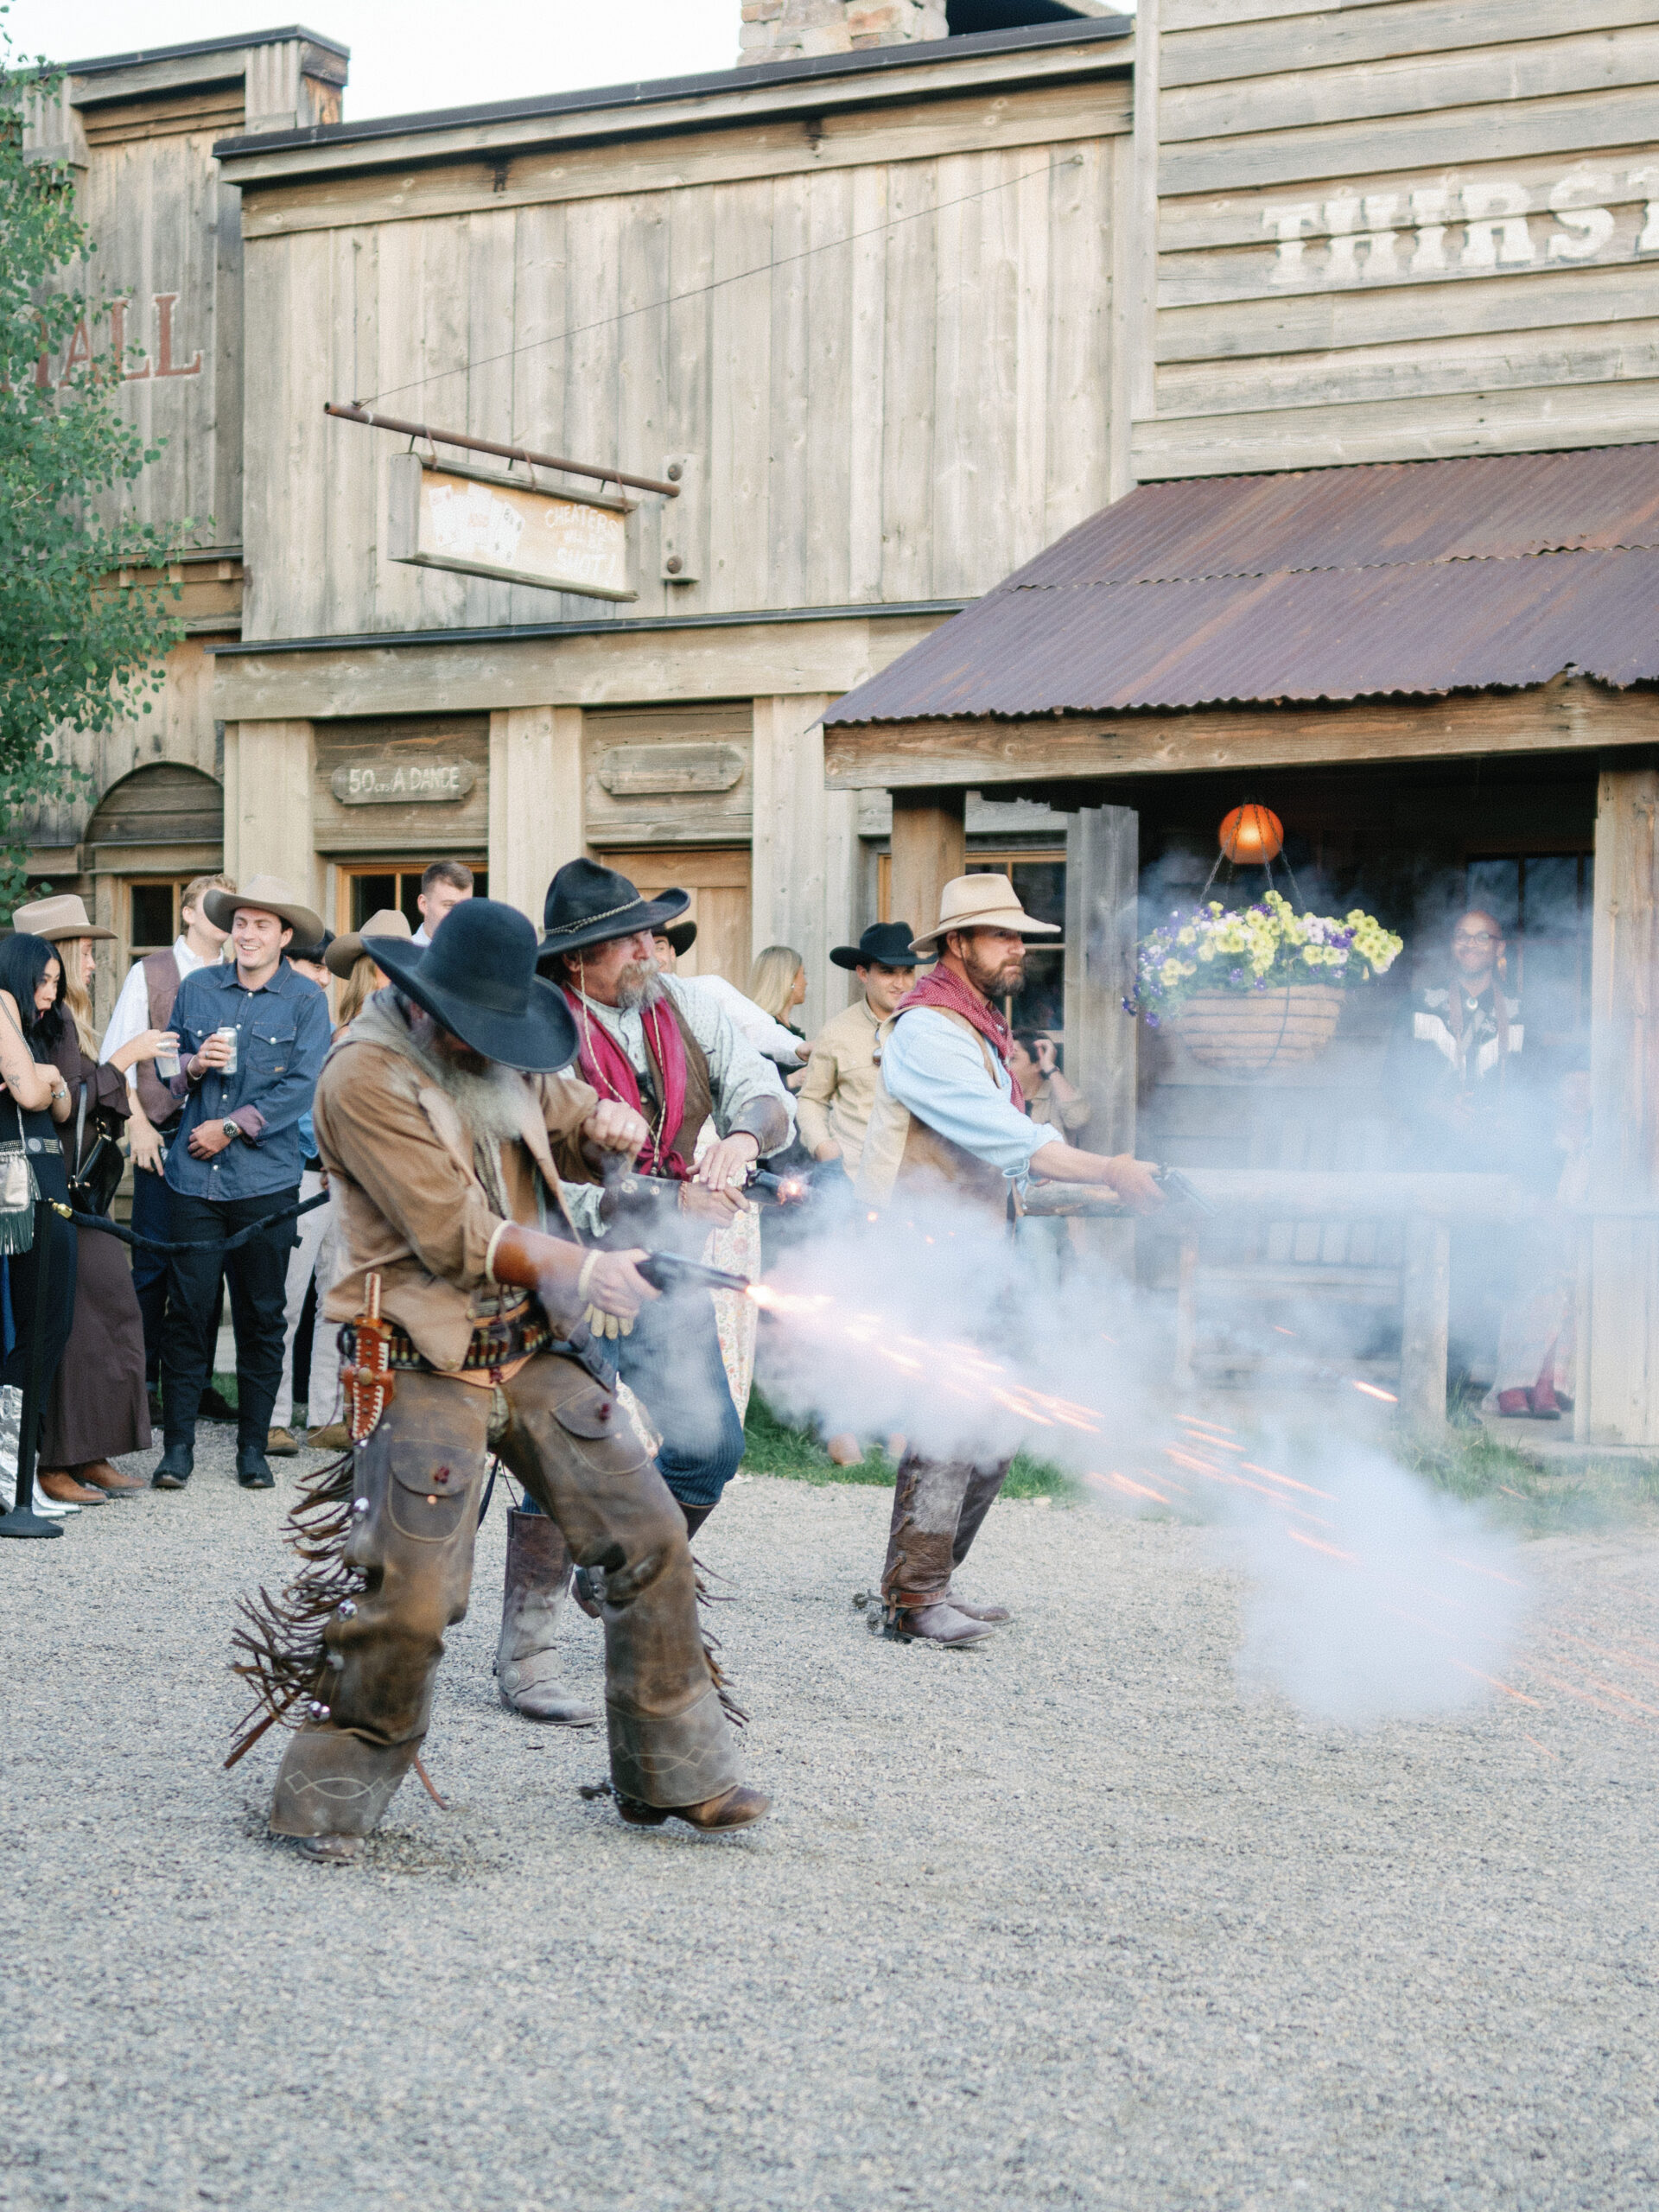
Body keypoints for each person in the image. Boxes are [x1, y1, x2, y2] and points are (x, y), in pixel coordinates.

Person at [240, 898, 766, 1859]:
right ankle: (326, 1797)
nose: (494, 1048)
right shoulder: (364, 1076)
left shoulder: (502, 1047)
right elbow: (454, 1231)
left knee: (647, 1530)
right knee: (414, 1592)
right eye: (477, 1031)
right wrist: (581, 1266)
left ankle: (672, 1773)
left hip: (527, 1343)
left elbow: (552, 1114)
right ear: (430, 1002)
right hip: (418, 1351)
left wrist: (600, 1120)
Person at [492, 861, 791, 1726]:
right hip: (567, 1271)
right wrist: (666, 1200)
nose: (647, 947)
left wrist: (739, 1139)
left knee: (710, 1448)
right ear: (578, 959)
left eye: (648, 932)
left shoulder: (688, 1005)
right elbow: (528, 1178)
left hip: (667, 1268)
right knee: (561, 1456)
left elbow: (766, 1091)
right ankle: (528, 1652)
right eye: (626, 938)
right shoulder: (532, 1030)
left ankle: (612, 1567)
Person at [855, 874, 1165, 1647]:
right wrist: (1108, 1170)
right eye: (1001, 935)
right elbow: (1007, 1138)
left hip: (972, 1239)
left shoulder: (976, 1027)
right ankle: (912, 1595)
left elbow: (1008, 1151)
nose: (1018, 948)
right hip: (924, 1241)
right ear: (957, 945)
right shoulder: (929, 1029)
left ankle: (928, 1581)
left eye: (1020, 936)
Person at [153, 875, 332, 1494]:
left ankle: (252, 1450)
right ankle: (176, 1451)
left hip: (264, 1182)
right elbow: (168, 1072)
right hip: (193, 1181)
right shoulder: (197, 988)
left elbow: (302, 1084)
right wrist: (191, 1068)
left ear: (285, 936)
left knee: (261, 1317)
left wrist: (229, 1126)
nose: (248, 934)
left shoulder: (307, 1002)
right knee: (188, 1315)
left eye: (262, 925)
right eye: (241, 923)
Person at [12, 895, 172, 1503]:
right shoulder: (44, 1022)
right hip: (55, 1190)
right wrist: (121, 1062)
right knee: (74, 1318)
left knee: (111, 1308)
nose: (90, 964)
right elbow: (62, 1103)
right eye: (80, 951)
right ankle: (56, 1458)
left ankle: (93, 1449)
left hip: (83, 1193)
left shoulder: (68, 1018)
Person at [99, 873, 233, 1402]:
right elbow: (119, 1056)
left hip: (221, 1142)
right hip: (163, 1135)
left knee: (207, 1266)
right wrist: (138, 1126)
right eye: (213, 905)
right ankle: (142, 1387)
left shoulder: (237, 974)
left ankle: (195, 1385)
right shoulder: (150, 972)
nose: (224, 916)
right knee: (152, 1266)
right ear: (188, 913)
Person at [296, 908, 418, 1451]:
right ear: (372, 972)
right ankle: (286, 1415)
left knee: (347, 1303)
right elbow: (312, 1112)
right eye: (390, 968)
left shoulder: (408, 1037)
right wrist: (333, 1161)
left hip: (375, 1189)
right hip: (320, 1182)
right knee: (295, 1301)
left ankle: (337, 1415)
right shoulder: (343, 1035)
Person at [0, 936, 78, 1520]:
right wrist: (43, 1079)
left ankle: (21, 1476)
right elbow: (31, 1092)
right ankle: (12, 1481)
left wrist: (46, 1072)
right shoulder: (0, 1003)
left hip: (48, 1191)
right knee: (35, 1337)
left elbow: (62, 1106)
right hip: (25, 1199)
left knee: (48, 1332)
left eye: (57, 982)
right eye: (43, 981)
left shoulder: (30, 1030)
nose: (50, 994)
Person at [1488, 1065, 1592, 1421]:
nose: (1580, 1093)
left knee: (1575, 1277)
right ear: (1554, 1092)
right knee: (1544, 1274)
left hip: (1581, 1240)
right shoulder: (1538, 1139)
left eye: (1588, 1085)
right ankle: (1516, 1382)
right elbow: (1513, 1196)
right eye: (1573, 1082)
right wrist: (1541, 1211)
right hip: (1531, 1236)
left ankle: (1546, 1380)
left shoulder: (1600, 1144)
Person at [267, 926, 335, 1457]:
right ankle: (270, 1416)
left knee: (336, 1298)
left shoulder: (328, 1019)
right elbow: (295, 1101)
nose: (325, 978)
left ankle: (326, 1414)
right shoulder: (283, 1016)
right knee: (285, 1300)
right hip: (297, 1172)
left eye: (329, 969)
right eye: (317, 967)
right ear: (292, 964)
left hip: (340, 1179)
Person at [797, 922, 920, 1180]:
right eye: (888, 972)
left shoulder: (932, 1029)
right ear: (863, 973)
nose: (901, 983)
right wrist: (823, 1146)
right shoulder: (836, 1032)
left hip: (919, 1184)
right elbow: (812, 1099)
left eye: (908, 972)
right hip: (853, 1180)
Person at [655, 919, 810, 1073]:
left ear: (672, 952)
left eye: (659, 948)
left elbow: (753, 1025)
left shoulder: (705, 989)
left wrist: (797, 1047)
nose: (652, 957)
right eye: (644, 948)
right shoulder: (631, 1006)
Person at [747, 944, 810, 1089]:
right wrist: (789, 1080)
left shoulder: (793, 1033)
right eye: (803, 974)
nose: (806, 982)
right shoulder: (759, 1032)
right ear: (790, 981)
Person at [410, 859, 474, 946]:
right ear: (424, 904)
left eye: (465, 907)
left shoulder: (479, 956)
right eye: (449, 906)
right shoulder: (398, 956)